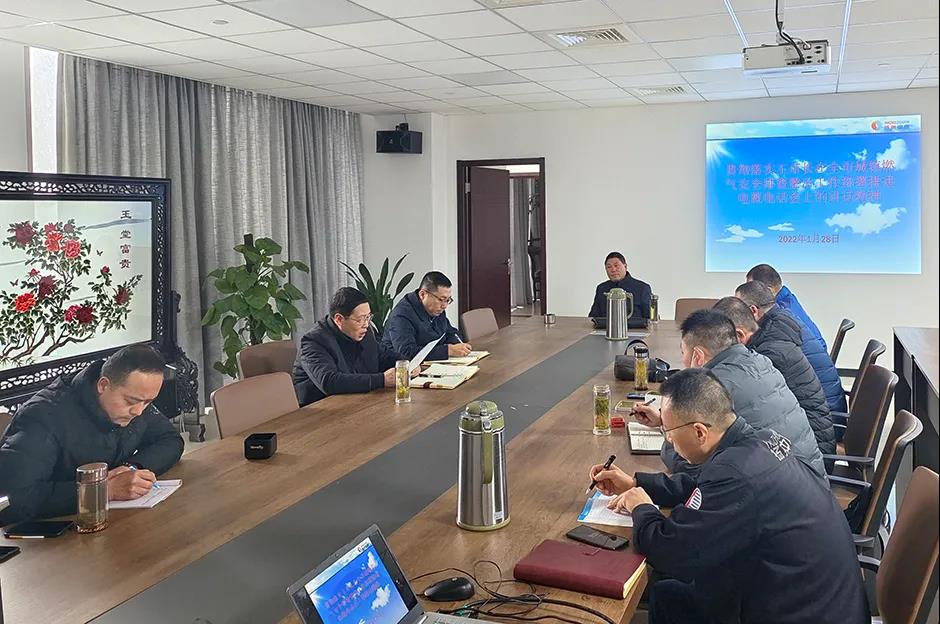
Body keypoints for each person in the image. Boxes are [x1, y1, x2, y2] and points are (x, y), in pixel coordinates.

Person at [589, 369, 869, 624]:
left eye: (668, 432)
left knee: (669, 588)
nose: (668, 439)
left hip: (801, 612)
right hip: (816, 599)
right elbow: (704, 485)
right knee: (671, 595)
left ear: (700, 432)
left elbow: (668, 552)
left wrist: (642, 508)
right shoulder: (759, 442)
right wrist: (636, 483)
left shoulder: (737, 474)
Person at [0, 344, 183, 525]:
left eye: (148, 402)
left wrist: (131, 468)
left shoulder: (135, 401)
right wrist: (103, 490)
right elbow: (13, 498)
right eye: (131, 401)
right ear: (103, 385)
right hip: (47, 532)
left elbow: (170, 440)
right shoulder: (43, 416)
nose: (139, 411)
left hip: (107, 522)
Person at [634, 310, 825, 478]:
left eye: (683, 353)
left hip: (774, 493)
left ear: (698, 356)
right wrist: (667, 420)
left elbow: (688, 463)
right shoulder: (761, 361)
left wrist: (671, 433)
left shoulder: (713, 387)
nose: (683, 361)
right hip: (809, 480)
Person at [713, 294, 835, 459]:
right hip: (811, 439)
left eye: (722, 339)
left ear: (739, 334)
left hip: (811, 452)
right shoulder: (773, 334)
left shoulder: (768, 355)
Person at [737, 279, 846, 412]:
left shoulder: (773, 339)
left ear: (753, 310)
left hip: (824, 414)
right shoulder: (783, 318)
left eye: (738, 310)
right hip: (828, 405)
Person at [293, 287, 405, 406]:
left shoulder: (365, 332)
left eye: (368, 317)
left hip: (358, 401)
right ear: (339, 319)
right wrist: (382, 380)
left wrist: (407, 364)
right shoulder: (313, 341)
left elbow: (382, 356)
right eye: (360, 319)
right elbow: (329, 382)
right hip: (320, 409)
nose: (366, 324)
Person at [382, 271, 471, 362]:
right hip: (401, 367)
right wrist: (448, 350)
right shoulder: (401, 315)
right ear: (422, 294)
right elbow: (406, 352)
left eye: (448, 300)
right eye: (441, 299)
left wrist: (459, 345)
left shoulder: (436, 309)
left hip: (432, 363)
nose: (444, 306)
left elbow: (450, 332)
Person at [746, 263, 828, 351]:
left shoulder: (782, 310)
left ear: (768, 290)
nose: (747, 292)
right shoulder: (787, 299)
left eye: (751, 288)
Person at [588, 252, 652, 320]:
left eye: (616, 265)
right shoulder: (601, 288)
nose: (613, 270)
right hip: (606, 327)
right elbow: (593, 318)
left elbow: (651, 319)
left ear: (625, 266)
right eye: (609, 267)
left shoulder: (642, 288)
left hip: (635, 327)